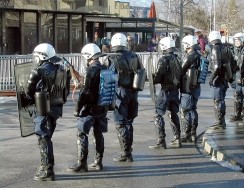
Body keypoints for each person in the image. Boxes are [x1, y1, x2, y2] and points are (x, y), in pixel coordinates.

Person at [24, 43, 71, 181]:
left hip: (43, 109)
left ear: (41, 56)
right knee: (47, 137)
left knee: (43, 138)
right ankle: (46, 167)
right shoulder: (61, 69)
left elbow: (28, 92)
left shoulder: (38, 71)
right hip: (56, 109)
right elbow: (65, 91)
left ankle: (48, 170)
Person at [68, 43, 108, 172]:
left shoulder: (91, 69)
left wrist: (77, 108)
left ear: (88, 56)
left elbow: (85, 92)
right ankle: (98, 161)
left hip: (90, 108)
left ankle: (82, 163)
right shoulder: (104, 67)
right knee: (98, 133)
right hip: (102, 106)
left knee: (81, 133)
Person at [108, 33, 144, 162]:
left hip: (120, 92)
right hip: (133, 92)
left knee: (120, 122)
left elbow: (109, 76)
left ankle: (125, 153)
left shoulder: (113, 58)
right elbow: (141, 72)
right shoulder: (134, 56)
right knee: (129, 121)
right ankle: (128, 150)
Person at [148, 37, 182, 149]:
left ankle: (161, 141)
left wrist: (153, 78)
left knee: (158, 115)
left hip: (165, 90)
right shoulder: (178, 58)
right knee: (173, 113)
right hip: (175, 91)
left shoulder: (163, 59)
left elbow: (158, 76)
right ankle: (177, 138)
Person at [208, 31, 235, 129]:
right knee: (221, 100)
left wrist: (212, 78)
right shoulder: (226, 48)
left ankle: (220, 122)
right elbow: (233, 62)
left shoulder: (215, 48)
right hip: (225, 77)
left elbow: (217, 66)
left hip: (218, 77)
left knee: (218, 100)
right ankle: (221, 121)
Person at [180, 35, 202, 142]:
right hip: (196, 85)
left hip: (187, 85)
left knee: (185, 110)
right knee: (193, 108)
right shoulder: (200, 54)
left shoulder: (190, 56)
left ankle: (186, 133)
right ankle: (193, 133)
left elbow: (181, 70)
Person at [229, 32, 244, 122]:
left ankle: (241, 113)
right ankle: (238, 113)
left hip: (243, 74)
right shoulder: (233, 50)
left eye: (238, 40)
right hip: (236, 75)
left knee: (242, 94)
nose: (236, 42)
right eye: (235, 40)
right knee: (237, 94)